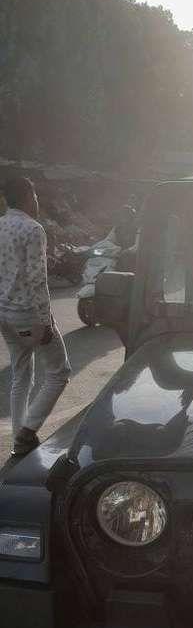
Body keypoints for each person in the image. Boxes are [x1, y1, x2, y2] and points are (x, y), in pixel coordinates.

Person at [0, 176, 71, 456]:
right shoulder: (33, 229)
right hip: (28, 315)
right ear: (29, 197)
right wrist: (45, 322)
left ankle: (20, 440)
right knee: (59, 373)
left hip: (4, 315)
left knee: (21, 375)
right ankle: (27, 433)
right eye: (36, 196)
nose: (38, 201)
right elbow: (36, 279)